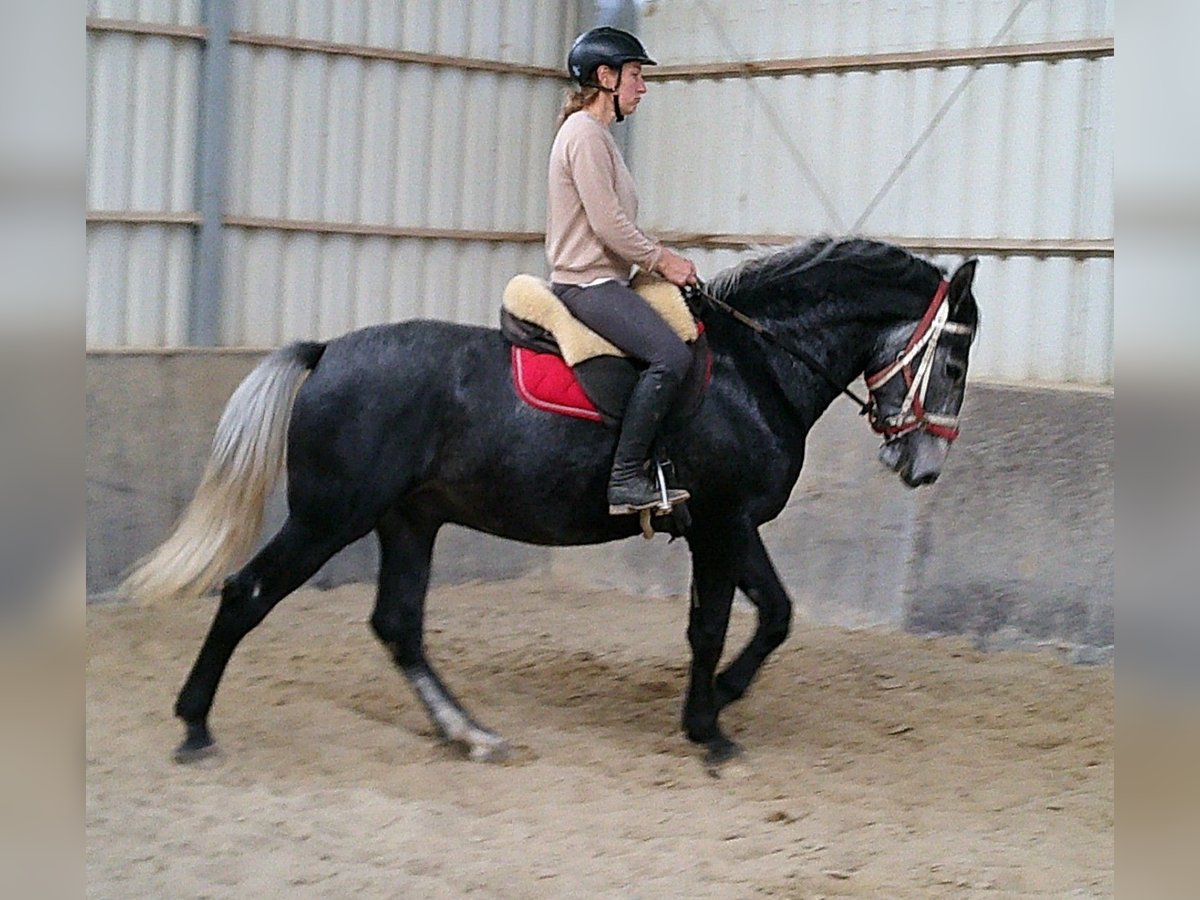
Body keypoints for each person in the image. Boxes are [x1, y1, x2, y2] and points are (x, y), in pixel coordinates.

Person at [546, 26, 700, 516]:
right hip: (587, 285)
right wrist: (664, 260)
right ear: (605, 77)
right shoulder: (585, 136)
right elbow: (609, 224)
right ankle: (626, 477)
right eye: (635, 75)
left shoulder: (598, 136)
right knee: (671, 359)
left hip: (604, 279)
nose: (642, 86)